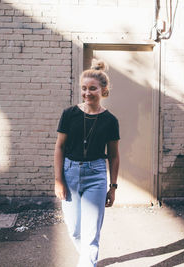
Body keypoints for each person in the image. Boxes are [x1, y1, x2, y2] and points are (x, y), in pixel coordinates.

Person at [54, 59, 120, 267]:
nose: (87, 93)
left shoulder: (110, 120)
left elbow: (114, 155)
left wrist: (113, 187)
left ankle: (87, 262)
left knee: (91, 232)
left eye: (92, 88)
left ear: (103, 90)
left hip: (96, 175)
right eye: (84, 88)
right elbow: (59, 147)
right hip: (70, 173)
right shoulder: (69, 114)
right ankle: (87, 258)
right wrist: (58, 180)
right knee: (74, 229)